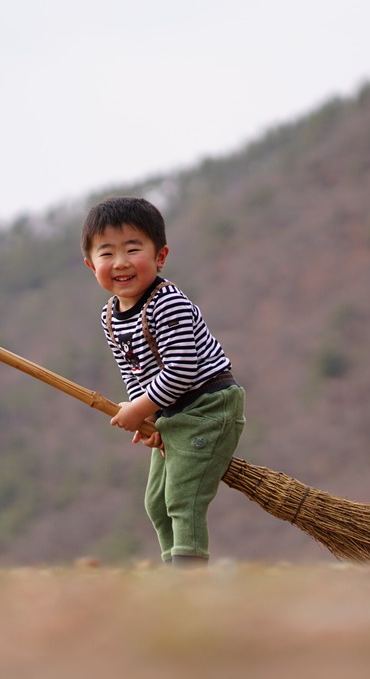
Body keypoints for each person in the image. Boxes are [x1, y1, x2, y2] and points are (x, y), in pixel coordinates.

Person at [81, 196, 245, 568]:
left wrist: (139, 408)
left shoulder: (166, 302)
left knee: (182, 497)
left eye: (133, 249)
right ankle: (174, 567)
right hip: (171, 411)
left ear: (160, 256)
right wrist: (148, 420)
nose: (120, 262)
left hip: (208, 406)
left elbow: (182, 370)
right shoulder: (110, 316)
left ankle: (188, 581)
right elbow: (134, 373)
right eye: (107, 253)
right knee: (156, 503)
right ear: (91, 265)